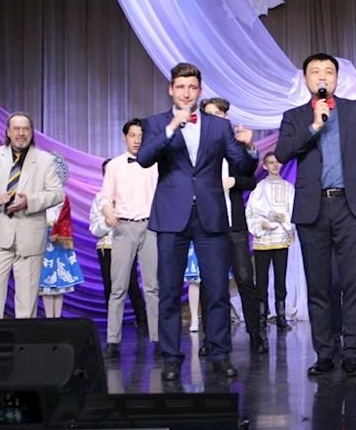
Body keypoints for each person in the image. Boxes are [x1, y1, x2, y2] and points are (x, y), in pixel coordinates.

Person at [275, 53, 356, 378]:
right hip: (313, 208)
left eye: (328, 72)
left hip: (351, 206)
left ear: (336, 78)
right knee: (319, 285)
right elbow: (282, 153)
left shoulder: (355, 110)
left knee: (354, 283)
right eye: (315, 72)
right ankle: (324, 353)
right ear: (306, 79)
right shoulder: (294, 117)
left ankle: (351, 353)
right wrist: (314, 125)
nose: (322, 77)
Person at [139, 62, 257, 382]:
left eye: (192, 87)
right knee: (168, 291)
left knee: (217, 289)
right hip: (171, 216)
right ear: (171, 90)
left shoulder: (219, 126)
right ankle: (171, 358)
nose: (186, 93)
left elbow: (241, 166)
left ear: (200, 91)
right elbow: (144, 158)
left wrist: (249, 147)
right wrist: (171, 128)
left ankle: (219, 354)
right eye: (180, 87)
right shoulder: (155, 123)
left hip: (211, 214)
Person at [0, 112, 63, 319]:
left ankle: (24, 338)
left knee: (27, 302)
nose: (21, 133)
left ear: (31, 132)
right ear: (8, 132)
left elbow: (57, 194)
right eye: (16, 129)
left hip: (30, 238)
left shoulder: (45, 160)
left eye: (25, 129)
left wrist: (29, 201)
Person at [201, 97, 268, 354]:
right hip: (208, 225)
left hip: (234, 225)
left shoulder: (235, 146)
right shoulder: (198, 148)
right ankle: (210, 338)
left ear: (225, 117)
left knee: (245, 279)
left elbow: (250, 178)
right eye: (208, 114)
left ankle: (256, 334)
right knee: (210, 283)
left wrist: (234, 181)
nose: (213, 119)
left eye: (217, 114)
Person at [100, 119, 160, 359]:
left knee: (152, 286)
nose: (137, 140)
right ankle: (112, 340)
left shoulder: (155, 164)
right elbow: (105, 197)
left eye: (140, 136)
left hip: (150, 226)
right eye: (132, 135)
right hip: (123, 227)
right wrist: (107, 211)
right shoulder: (115, 165)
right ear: (125, 137)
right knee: (118, 287)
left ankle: (157, 338)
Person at [89, 159, 150, 337]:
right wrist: (109, 222)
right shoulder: (100, 198)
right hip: (106, 247)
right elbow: (94, 228)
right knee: (110, 287)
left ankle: (143, 322)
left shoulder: (131, 195)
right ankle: (113, 328)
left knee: (131, 284)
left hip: (127, 244)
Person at [246, 153, 296, 333]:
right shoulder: (258, 188)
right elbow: (251, 211)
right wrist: (263, 223)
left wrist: (282, 219)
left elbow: (292, 211)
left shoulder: (289, 188)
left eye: (277, 162)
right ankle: (261, 315)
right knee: (261, 279)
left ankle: (281, 315)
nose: (275, 165)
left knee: (280, 278)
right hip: (263, 239)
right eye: (271, 163)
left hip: (281, 239)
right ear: (265, 166)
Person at [38, 152, 84, 318]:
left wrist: (58, 232)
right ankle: (49, 319)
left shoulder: (63, 197)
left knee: (59, 282)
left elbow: (65, 220)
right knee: (45, 281)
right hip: (41, 238)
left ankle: (57, 319)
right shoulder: (39, 195)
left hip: (59, 239)